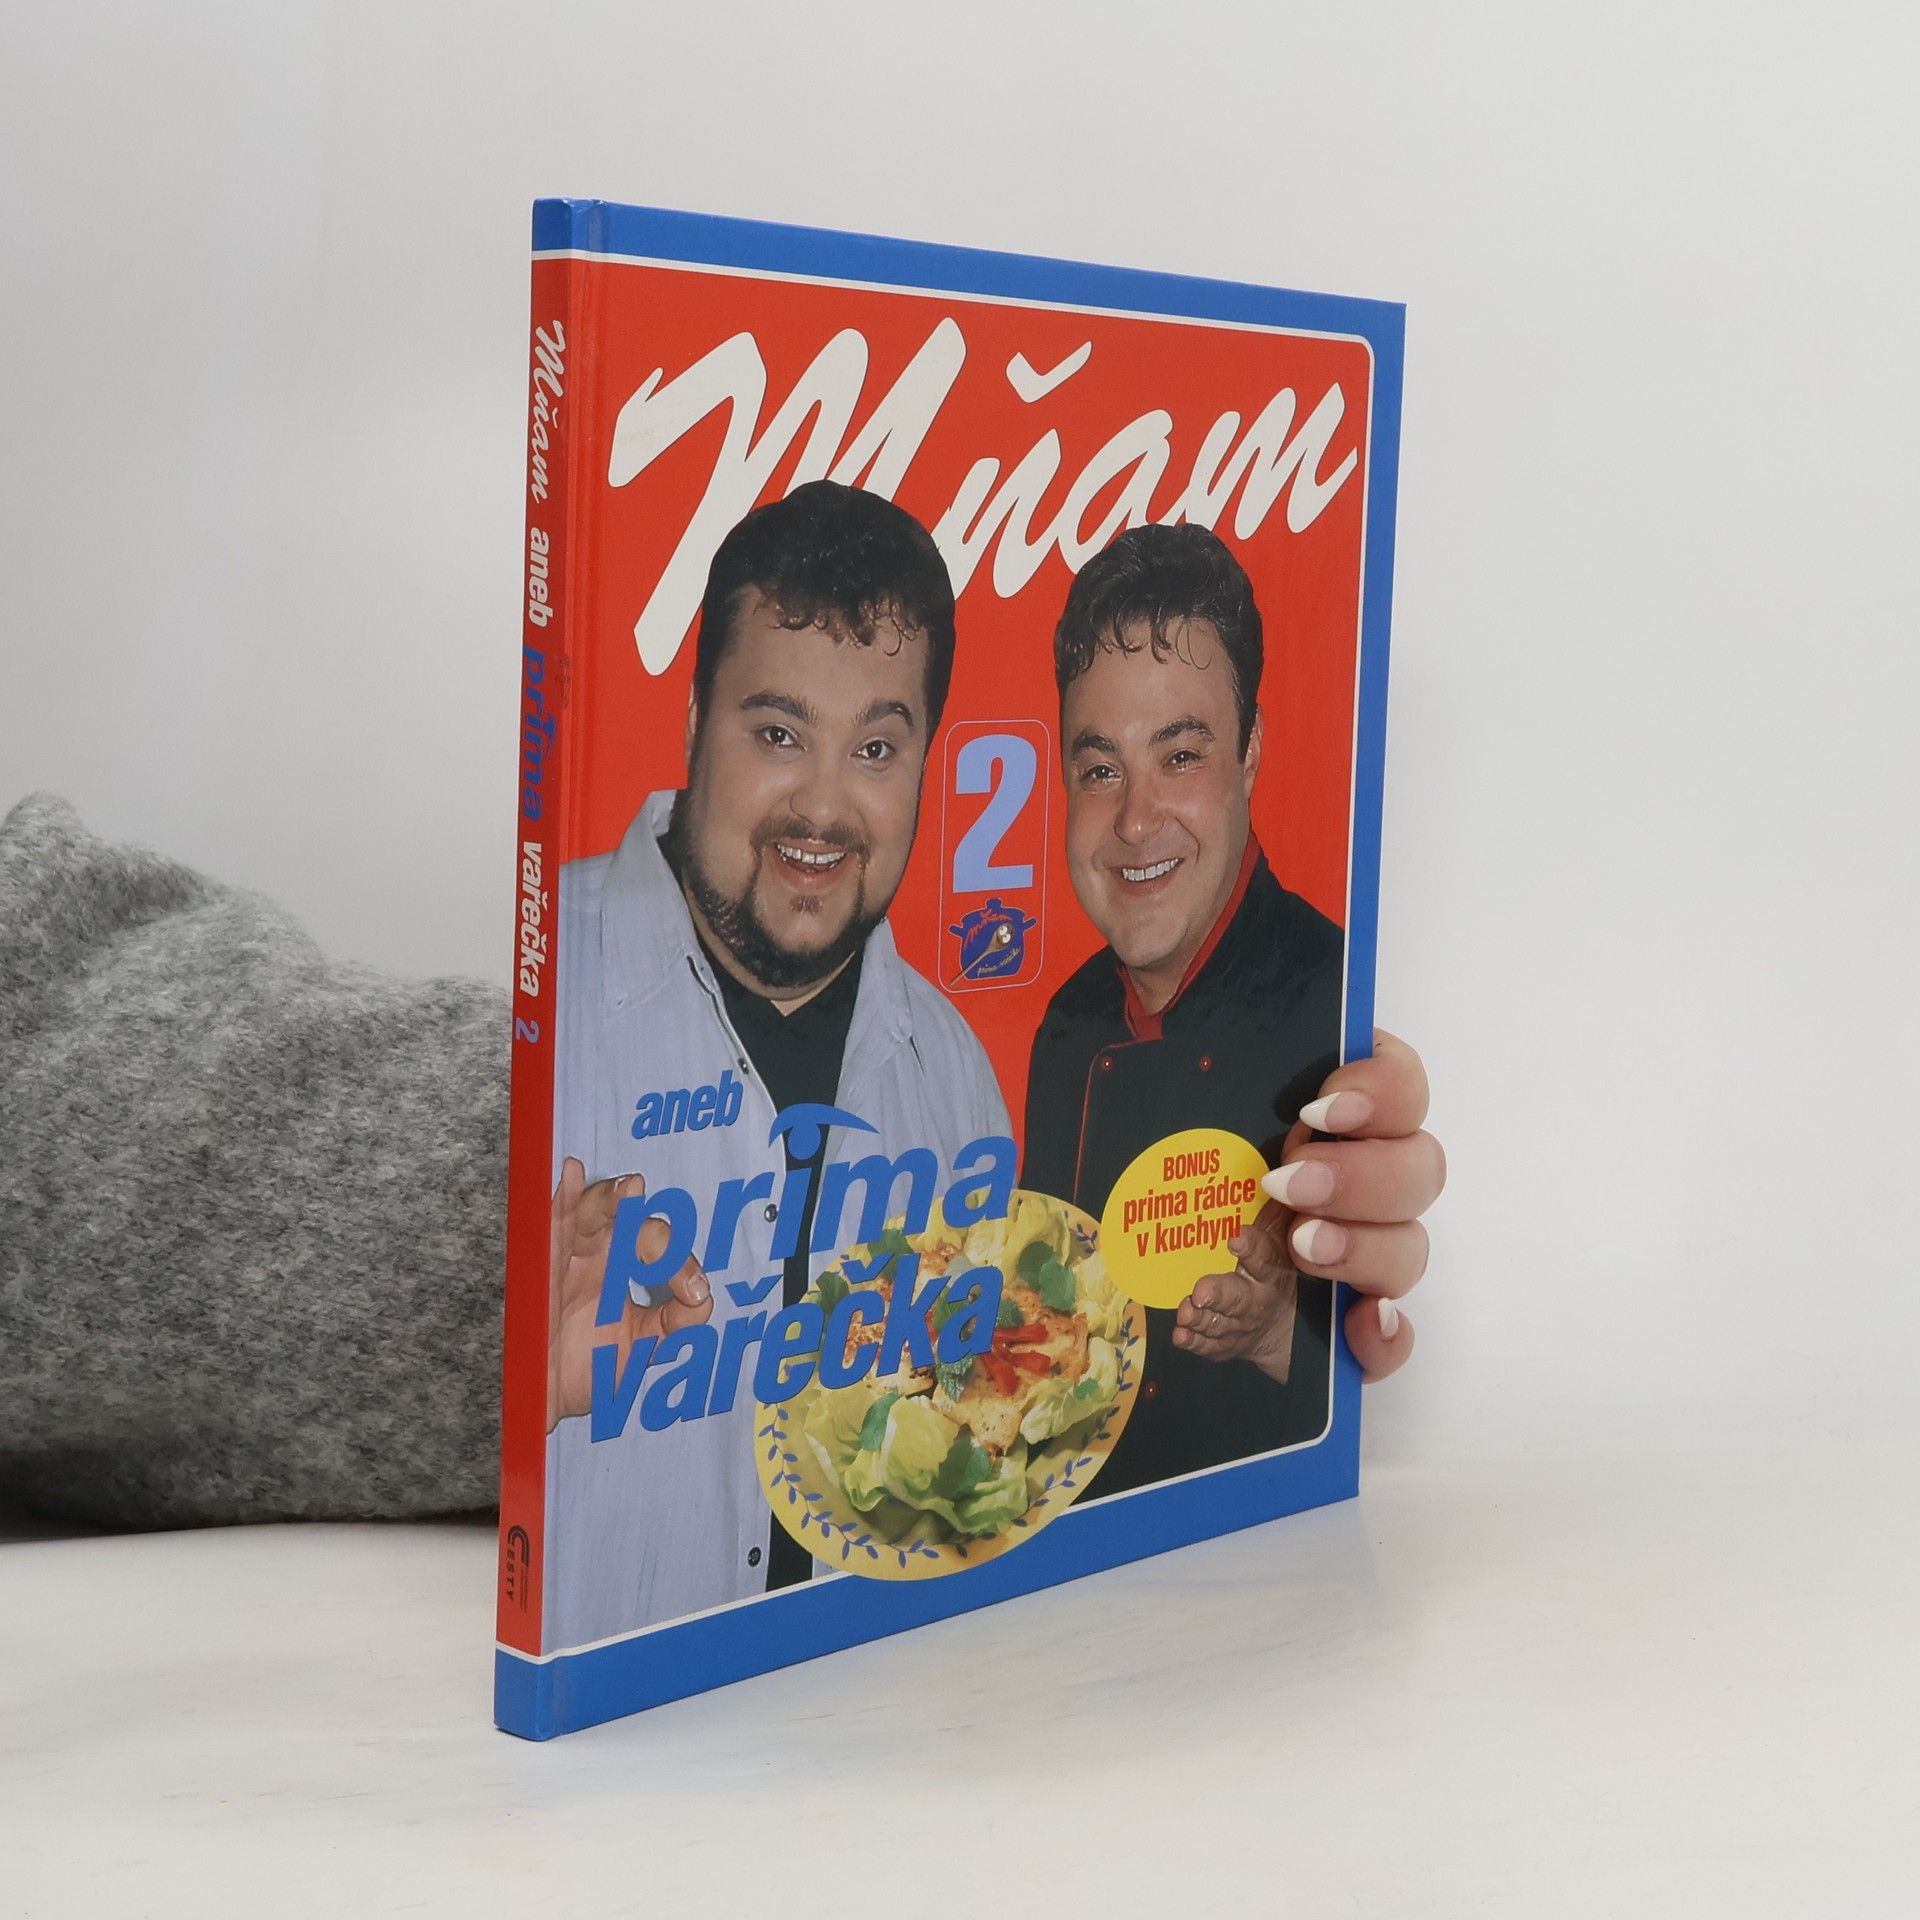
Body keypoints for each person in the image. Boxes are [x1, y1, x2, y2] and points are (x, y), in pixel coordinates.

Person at [541, 480, 1013, 1643]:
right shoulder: (538, 990)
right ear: (694, 721)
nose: (823, 806)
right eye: (779, 734)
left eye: (876, 748)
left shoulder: (955, 1071)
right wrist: (499, 1383)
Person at [1024, 524, 1443, 1496]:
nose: (1135, 820)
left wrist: (1284, 1336)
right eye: (1100, 769)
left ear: (1250, 751)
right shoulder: (1066, 1027)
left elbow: (1329, 1404)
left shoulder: (1326, 997)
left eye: (1179, 756)